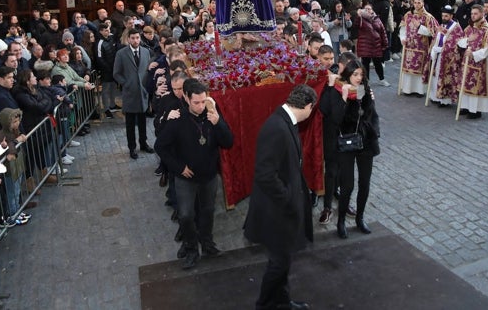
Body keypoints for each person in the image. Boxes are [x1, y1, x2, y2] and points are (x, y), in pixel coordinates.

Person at [244, 84, 317, 310]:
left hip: (281, 209)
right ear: (307, 106)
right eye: (312, 108)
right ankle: (264, 305)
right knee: (279, 263)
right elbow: (265, 174)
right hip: (275, 211)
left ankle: (282, 301)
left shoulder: (285, 122)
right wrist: (287, 199)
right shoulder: (277, 127)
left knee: (283, 261)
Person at [155, 78, 234, 270]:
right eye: (196, 102)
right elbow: (160, 147)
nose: (200, 106)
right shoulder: (177, 119)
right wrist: (179, 167)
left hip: (208, 176)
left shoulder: (213, 115)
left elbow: (228, 142)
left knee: (207, 211)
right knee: (186, 214)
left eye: (203, 101)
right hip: (185, 178)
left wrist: (219, 124)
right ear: (187, 99)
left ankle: (207, 244)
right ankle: (191, 248)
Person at [321, 59, 380, 239]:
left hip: (365, 142)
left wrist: (373, 132)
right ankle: (340, 222)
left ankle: (360, 218)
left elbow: (372, 115)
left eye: (361, 74)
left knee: (365, 183)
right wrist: (345, 99)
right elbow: (335, 119)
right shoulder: (338, 91)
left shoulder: (365, 90)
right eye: (355, 74)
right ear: (348, 75)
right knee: (347, 185)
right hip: (346, 143)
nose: (359, 78)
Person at [456, 5, 488, 118]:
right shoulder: (469, 28)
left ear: (482, 14)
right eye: (472, 14)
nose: (473, 16)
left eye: (475, 14)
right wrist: (467, 41)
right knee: (465, 84)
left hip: (479, 63)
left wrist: (473, 54)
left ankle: (475, 110)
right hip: (467, 62)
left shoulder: (487, 30)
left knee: (475, 86)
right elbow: (460, 41)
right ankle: (466, 107)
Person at [113, 28, 153, 159]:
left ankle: (143, 143)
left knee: (143, 121)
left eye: (137, 38)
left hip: (143, 93)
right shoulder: (121, 53)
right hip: (130, 93)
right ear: (128, 39)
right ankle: (132, 147)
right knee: (130, 124)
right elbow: (116, 73)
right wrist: (126, 83)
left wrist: (146, 85)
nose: (135, 40)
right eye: (133, 38)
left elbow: (147, 70)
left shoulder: (146, 52)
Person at [399, 0, 439, 95]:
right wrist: (402, 38)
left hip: (421, 46)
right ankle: (407, 89)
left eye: (419, 3)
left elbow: (432, 32)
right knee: (408, 67)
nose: (416, 5)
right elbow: (403, 28)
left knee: (419, 68)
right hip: (409, 46)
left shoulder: (428, 17)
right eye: (415, 3)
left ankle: (419, 90)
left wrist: (419, 26)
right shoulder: (408, 14)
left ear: (423, 3)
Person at [424, 5, 464, 106]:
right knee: (435, 76)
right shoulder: (442, 25)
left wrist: (442, 48)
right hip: (438, 55)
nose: (444, 18)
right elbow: (436, 38)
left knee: (445, 77)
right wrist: (434, 47)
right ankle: (434, 96)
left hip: (448, 58)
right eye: (443, 16)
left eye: (446, 16)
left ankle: (444, 100)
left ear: (451, 16)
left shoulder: (456, 27)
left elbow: (456, 42)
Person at [354, 5, 390, 87]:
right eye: (365, 9)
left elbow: (383, 32)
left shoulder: (377, 19)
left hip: (376, 46)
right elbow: (356, 25)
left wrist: (385, 43)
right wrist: (358, 16)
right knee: (365, 64)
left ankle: (382, 79)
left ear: (372, 10)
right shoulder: (361, 19)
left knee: (378, 64)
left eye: (369, 9)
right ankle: (366, 81)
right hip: (365, 46)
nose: (367, 10)